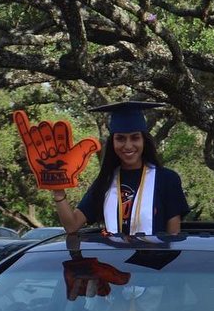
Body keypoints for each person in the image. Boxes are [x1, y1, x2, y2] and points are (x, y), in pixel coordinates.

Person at [52, 101, 190, 236]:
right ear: (113, 142)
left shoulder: (166, 179)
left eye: (135, 138)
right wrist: (58, 191)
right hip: (113, 259)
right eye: (121, 139)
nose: (128, 146)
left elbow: (174, 236)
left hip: (156, 258)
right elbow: (72, 226)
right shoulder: (105, 181)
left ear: (144, 141)